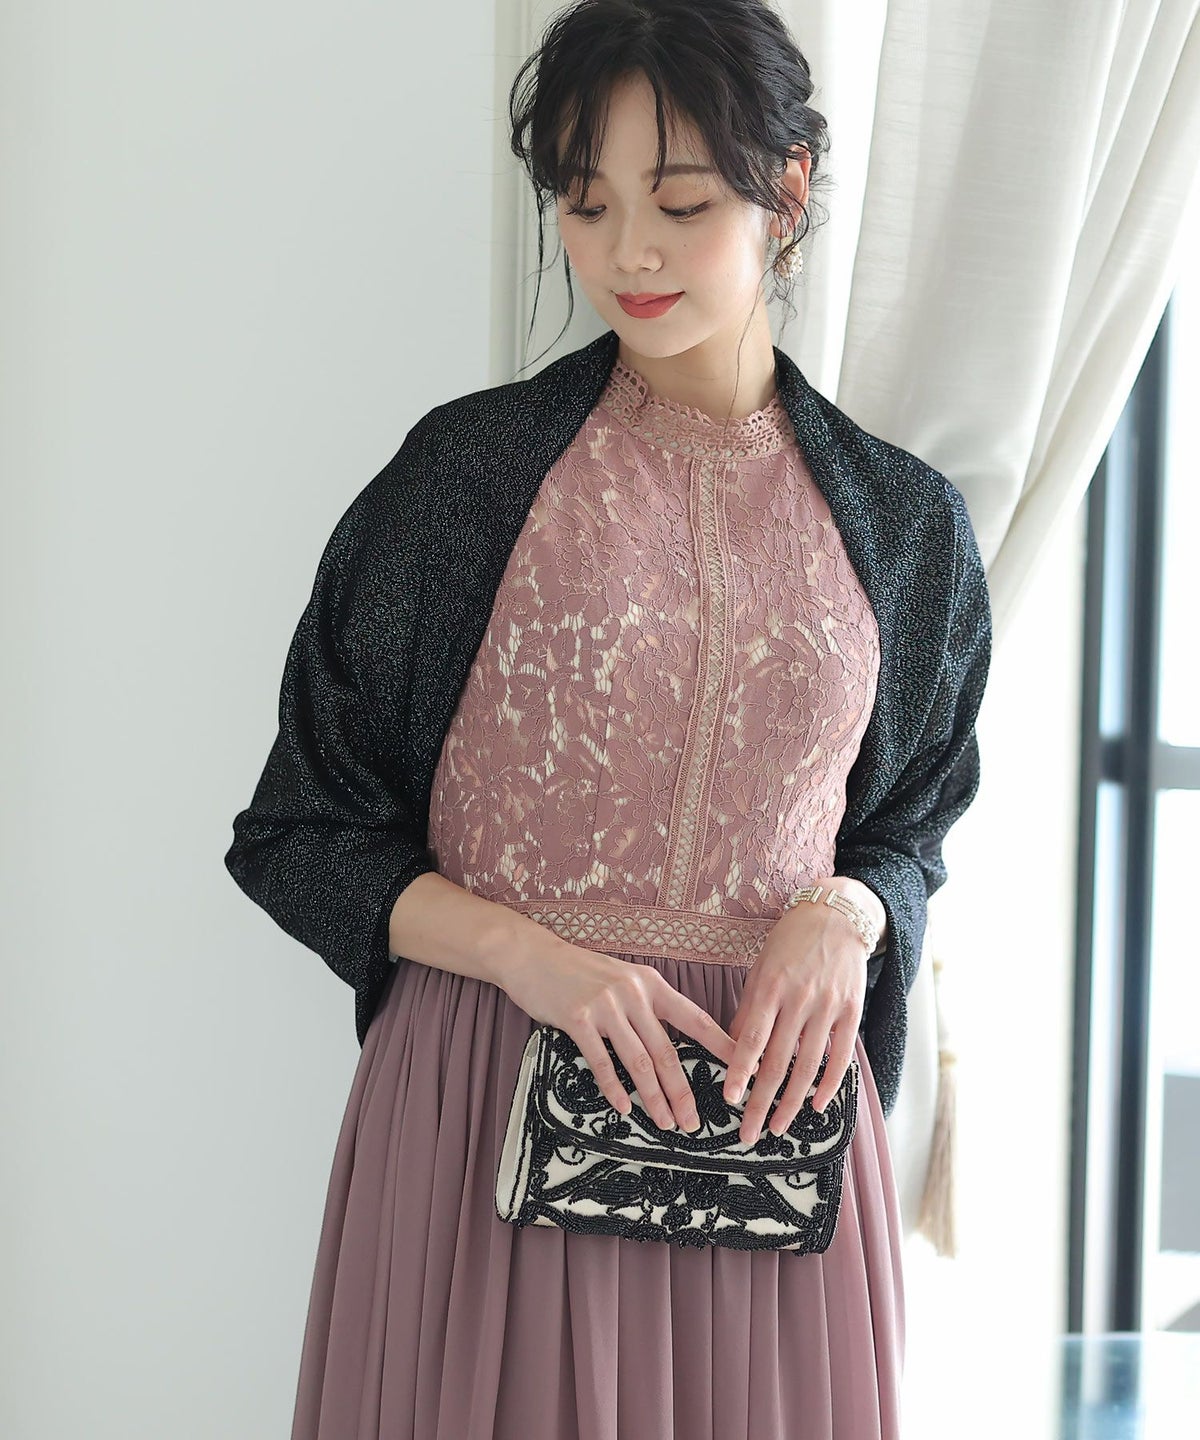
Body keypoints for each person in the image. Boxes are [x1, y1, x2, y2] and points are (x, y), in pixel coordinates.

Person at [223, 2, 992, 1436]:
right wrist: (535, 959)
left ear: (789, 190)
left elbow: (909, 825)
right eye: (586, 203)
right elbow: (300, 832)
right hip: (487, 1103)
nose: (628, 251)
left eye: (680, 203)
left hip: (772, 1136)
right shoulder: (466, 481)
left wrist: (851, 912)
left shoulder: (904, 527)